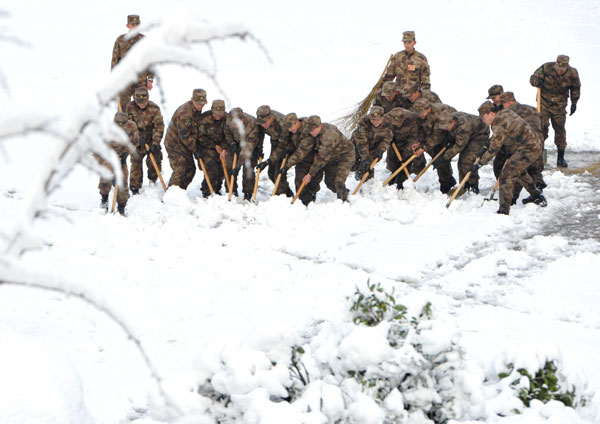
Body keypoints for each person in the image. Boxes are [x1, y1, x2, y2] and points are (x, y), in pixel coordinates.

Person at [475, 101, 547, 215]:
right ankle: (537, 196)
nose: (484, 121)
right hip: (529, 146)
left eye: (484, 118)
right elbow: (495, 138)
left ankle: (504, 210)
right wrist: (484, 148)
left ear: (491, 114)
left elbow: (494, 148)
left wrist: (480, 163)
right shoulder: (505, 113)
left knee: (506, 175)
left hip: (528, 149)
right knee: (519, 172)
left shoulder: (499, 124)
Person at [283, 116, 354, 202]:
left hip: (344, 156)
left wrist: (310, 174)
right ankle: (346, 192)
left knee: (338, 181)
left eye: (313, 130)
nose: (311, 133)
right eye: (309, 130)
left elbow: (322, 158)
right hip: (331, 157)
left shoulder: (329, 136)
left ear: (320, 126)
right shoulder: (310, 130)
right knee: (330, 182)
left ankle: (345, 201)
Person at [530, 55, 581, 167]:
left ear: (567, 67)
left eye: (562, 70)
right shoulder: (546, 67)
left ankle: (560, 157)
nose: (559, 71)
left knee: (560, 129)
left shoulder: (573, 73)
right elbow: (532, 79)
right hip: (544, 103)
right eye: (558, 69)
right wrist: (536, 81)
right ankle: (539, 155)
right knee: (542, 126)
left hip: (560, 105)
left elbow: (576, 88)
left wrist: (574, 103)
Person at [500, 91, 546, 191]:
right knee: (535, 168)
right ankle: (538, 187)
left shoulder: (510, 114)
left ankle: (513, 198)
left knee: (519, 169)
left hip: (525, 144)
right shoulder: (532, 109)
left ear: (509, 102)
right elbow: (545, 125)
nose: (503, 107)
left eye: (503, 104)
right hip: (539, 142)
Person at [94, 112, 139, 215]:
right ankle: (104, 199)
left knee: (122, 180)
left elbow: (134, 142)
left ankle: (121, 206)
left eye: (122, 123)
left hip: (121, 156)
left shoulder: (131, 127)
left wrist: (126, 154)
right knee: (106, 177)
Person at [436, 111, 490, 194]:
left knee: (467, 161)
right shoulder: (451, 117)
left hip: (480, 135)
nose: (445, 129)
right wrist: (451, 136)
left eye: (446, 127)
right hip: (470, 133)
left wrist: (445, 157)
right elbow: (456, 132)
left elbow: (459, 146)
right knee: (460, 162)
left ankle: (473, 185)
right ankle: (465, 184)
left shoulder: (463, 126)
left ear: (452, 122)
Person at [411, 98, 457, 193]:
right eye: (418, 113)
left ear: (429, 109)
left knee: (439, 157)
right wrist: (419, 142)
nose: (420, 115)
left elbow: (437, 137)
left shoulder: (438, 115)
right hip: (436, 132)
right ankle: (448, 178)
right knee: (434, 154)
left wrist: (424, 148)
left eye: (421, 113)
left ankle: (446, 183)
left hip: (450, 131)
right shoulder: (420, 115)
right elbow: (421, 129)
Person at [164, 89, 206, 190]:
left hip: (186, 145)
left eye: (202, 104)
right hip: (174, 144)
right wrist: (196, 149)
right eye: (198, 103)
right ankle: (171, 193)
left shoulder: (197, 111)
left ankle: (180, 192)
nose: (201, 106)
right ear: (192, 100)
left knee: (190, 170)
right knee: (180, 169)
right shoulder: (185, 113)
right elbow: (185, 135)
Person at [125, 87, 164, 194]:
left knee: (154, 160)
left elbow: (159, 126)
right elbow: (128, 126)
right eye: (139, 102)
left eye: (144, 101)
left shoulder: (155, 108)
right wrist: (137, 138)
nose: (141, 104)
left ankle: (153, 180)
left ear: (148, 98)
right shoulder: (130, 107)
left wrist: (155, 143)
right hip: (135, 141)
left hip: (151, 139)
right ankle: (135, 188)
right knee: (135, 163)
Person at [111, 14, 154, 111]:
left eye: (137, 24)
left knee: (140, 108)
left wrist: (150, 79)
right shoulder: (120, 40)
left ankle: (138, 126)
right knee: (123, 107)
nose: (134, 27)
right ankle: (122, 126)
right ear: (128, 26)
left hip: (141, 79)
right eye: (132, 24)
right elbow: (115, 61)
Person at [279, 113, 322, 206]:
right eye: (288, 128)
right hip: (302, 161)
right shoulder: (295, 130)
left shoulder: (307, 130)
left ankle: (312, 197)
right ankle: (305, 203)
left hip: (315, 159)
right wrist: (287, 149)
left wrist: (287, 165)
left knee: (313, 182)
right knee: (299, 182)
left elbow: (301, 151)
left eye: (290, 127)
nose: (290, 130)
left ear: (296, 122)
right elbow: (295, 143)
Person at [224, 107, 265, 200]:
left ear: (242, 121)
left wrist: (238, 165)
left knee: (248, 169)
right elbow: (226, 132)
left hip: (250, 145)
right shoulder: (229, 119)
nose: (232, 126)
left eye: (234, 124)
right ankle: (231, 190)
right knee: (230, 167)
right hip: (235, 143)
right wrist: (232, 143)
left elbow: (248, 147)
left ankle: (248, 193)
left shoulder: (252, 124)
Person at [256, 105, 293, 197]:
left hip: (288, 144)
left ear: (271, 117)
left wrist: (268, 161)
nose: (263, 125)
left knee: (279, 173)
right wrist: (259, 148)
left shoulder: (282, 123)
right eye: (261, 123)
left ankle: (282, 196)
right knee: (271, 172)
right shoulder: (261, 122)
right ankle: (287, 192)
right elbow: (260, 135)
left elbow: (282, 146)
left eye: (264, 122)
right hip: (276, 142)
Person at [383, 107, 424, 190]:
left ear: (403, 118)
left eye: (398, 122)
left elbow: (413, 138)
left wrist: (407, 153)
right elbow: (384, 131)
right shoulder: (387, 118)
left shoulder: (412, 119)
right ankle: (394, 175)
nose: (396, 124)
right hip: (394, 141)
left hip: (408, 141)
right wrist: (389, 138)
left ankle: (401, 180)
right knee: (392, 160)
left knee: (406, 159)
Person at [194, 99, 228, 197]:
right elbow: (200, 137)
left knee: (223, 166)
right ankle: (207, 190)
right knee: (212, 166)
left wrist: (224, 148)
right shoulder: (203, 119)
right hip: (206, 147)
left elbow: (229, 136)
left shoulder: (227, 119)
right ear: (212, 110)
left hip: (222, 147)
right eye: (216, 113)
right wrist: (213, 145)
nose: (218, 116)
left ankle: (217, 188)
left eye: (220, 114)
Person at [351, 106, 393, 181]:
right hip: (358, 145)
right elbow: (361, 142)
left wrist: (381, 150)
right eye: (373, 119)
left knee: (368, 167)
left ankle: (367, 185)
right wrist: (365, 158)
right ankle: (359, 168)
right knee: (354, 164)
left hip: (374, 146)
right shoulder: (363, 122)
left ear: (383, 117)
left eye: (378, 119)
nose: (375, 122)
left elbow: (387, 138)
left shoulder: (388, 122)